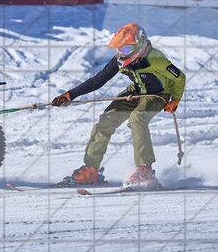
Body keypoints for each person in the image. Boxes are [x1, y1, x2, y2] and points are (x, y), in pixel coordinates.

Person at [51, 24, 185, 188]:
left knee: (137, 119)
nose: (121, 53)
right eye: (119, 49)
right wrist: (70, 95)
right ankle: (92, 169)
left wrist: (175, 100)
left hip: (158, 94)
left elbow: (179, 77)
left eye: (126, 49)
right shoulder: (120, 60)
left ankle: (145, 169)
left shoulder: (155, 59)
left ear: (140, 46)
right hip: (136, 91)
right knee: (105, 121)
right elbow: (98, 80)